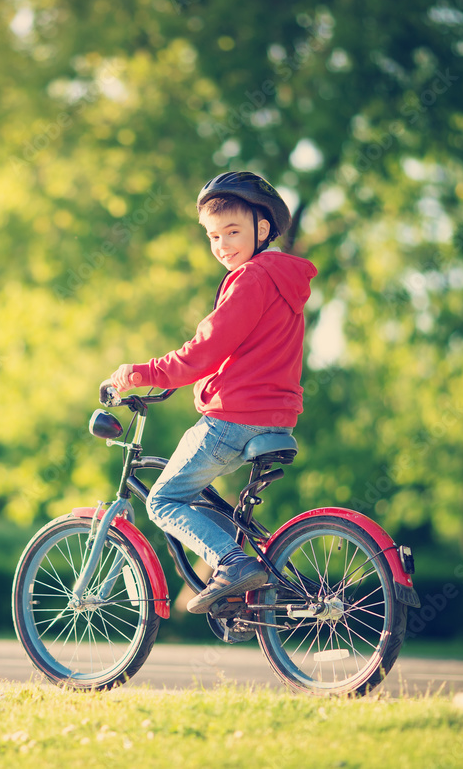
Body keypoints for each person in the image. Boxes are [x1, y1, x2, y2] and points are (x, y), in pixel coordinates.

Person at [107, 171, 317, 614]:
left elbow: (205, 349)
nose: (222, 245)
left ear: (263, 229)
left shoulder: (252, 279)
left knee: (164, 499)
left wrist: (144, 373)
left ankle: (230, 563)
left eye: (233, 232)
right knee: (217, 505)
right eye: (213, 236)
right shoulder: (284, 282)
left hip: (234, 419)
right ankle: (243, 595)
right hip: (275, 417)